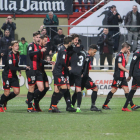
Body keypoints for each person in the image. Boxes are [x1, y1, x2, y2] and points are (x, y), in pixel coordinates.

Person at [102, 42, 136, 110]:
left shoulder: (123, 55)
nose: (128, 50)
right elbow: (119, 66)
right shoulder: (119, 55)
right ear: (125, 48)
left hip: (122, 76)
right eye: (128, 49)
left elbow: (125, 63)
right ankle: (105, 104)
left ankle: (132, 106)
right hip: (118, 76)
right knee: (114, 90)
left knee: (126, 90)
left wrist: (128, 56)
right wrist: (127, 70)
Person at [0, 41, 30, 112]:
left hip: (13, 75)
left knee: (16, 92)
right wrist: (24, 68)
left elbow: (16, 65)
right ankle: (0, 104)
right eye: (16, 45)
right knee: (6, 93)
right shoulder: (10, 55)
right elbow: (11, 67)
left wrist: (19, 71)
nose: (17, 47)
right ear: (12, 47)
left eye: (18, 45)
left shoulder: (18, 54)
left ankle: (5, 100)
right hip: (7, 75)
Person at [50, 35, 76, 113]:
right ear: (69, 42)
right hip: (58, 71)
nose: (71, 43)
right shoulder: (63, 50)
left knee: (57, 90)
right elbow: (62, 61)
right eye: (71, 42)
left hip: (59, 71)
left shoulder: (61, 48)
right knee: (64, 88)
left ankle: (53, 107)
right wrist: (67, 67)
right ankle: (54, 105)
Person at [71, 44, 101, 111]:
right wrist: (83, 74)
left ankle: (71, 105)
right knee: (95, 89)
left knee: (77, 92)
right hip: (84, 77)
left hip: (81, 76)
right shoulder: (87, 57)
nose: (95, 54)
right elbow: (84, 67)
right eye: (94, 52)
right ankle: (93, 106)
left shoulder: (84, 55)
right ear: (90, 50)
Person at [26, 31, 46, 112]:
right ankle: (29, 107)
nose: (38, 39)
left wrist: (48, 62)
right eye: (37, 37)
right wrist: (40, 51)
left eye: (39, 37)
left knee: (41, 88)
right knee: (31, 88)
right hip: (31, 70)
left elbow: (38, 59)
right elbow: (30, 53)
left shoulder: (38, 47)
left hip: (37, 70)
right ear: (33, 38)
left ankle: (29, 99)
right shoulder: (30, 45)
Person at [68, 34, 86, 113]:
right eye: (75, 40)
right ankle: (77, 107)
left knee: (67, 88)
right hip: (78, 72)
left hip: (72, 72)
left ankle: (70, 105)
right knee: (78, 90)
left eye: (77, 40)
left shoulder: (72, 50)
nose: (76, 41)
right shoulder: (83, 52)